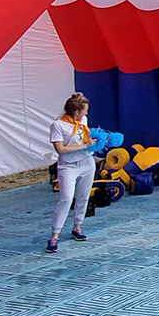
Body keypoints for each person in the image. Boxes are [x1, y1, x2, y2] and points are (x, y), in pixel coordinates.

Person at [47, 93, 96, 253]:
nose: (86, 114)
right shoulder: (58, 125)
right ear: (76, 112)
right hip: (68, 166)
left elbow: (85, 138)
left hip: (87, 163)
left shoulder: (83, 121)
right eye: (84, 110)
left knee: (83, 196)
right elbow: (60, 149)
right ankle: (54, 236)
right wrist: (84, 145)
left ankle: (77, 226)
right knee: (66, 199)